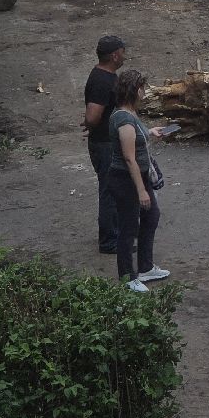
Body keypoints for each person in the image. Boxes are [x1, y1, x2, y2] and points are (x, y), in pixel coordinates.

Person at [106, 69, 169, 293]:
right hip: (126, 180)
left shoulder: (131, 113)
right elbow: (129, 158)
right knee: (129, 227)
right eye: (143, 87)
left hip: (137, 177)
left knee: (151, 216)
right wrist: (141, 190)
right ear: (135, 90)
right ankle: (128, 276)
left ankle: (145, 267)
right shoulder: (123, 119)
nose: (145, 91)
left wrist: (150, 132)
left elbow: (136, 136)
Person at [82, 34, 126, 254]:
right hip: (104, 144)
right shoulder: (102, 80)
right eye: (122, 52)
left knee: (114, 189)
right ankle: (109, 241)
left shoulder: (104, 75)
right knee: (109, 191)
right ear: (114, 55)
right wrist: (92, 123)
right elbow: (92, 115)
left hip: (106, 141)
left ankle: (116, 233)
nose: (124, 56)